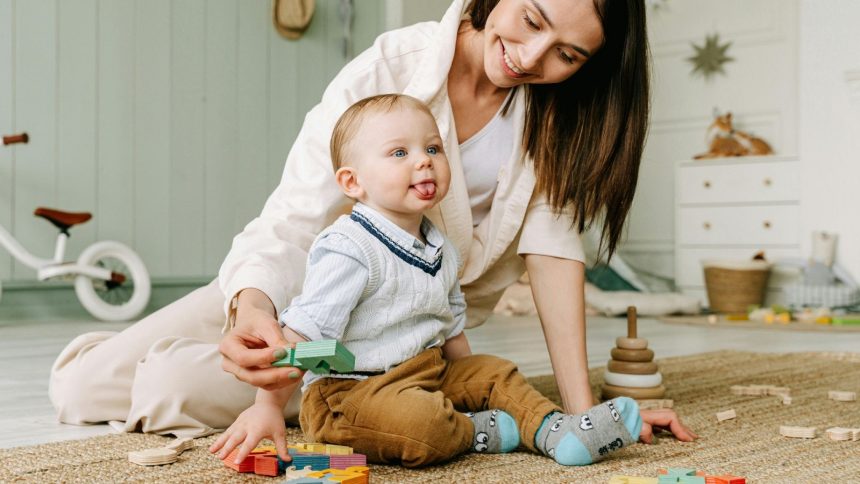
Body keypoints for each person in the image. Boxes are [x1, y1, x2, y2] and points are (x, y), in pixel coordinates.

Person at [49, 0, 696, 444]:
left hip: (399, 333)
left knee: (167, 384)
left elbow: (555, 257)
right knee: (78, 388)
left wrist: (583, 412)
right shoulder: (391, 67)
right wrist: (252, 308)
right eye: (530, 20)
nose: (532, 56)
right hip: (303, 285)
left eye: (568, 55)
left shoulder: (557, 121)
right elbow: (294, 217)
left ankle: (377, 390)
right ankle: (364, 391)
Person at [209, 93, 645, 468]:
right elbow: (303, 336)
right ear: (352, 181)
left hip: (425, 371)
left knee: (497, 372)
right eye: (399, 153)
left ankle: (558, 432)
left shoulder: (440, 246)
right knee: (423, 423)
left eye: (433, 149)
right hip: (350, 396)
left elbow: (450, 326)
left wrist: (473, 384)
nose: (424, 161)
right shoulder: (349, 247)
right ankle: (474, 431)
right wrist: (266, 406)